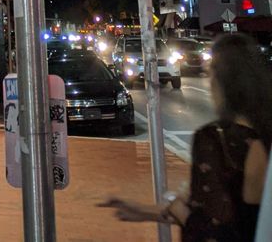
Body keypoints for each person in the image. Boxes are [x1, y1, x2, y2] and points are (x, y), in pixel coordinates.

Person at [100, 33, 272, 240]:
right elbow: (247, 217)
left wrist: (177, 206)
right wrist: (145, 211)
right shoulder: (261, 135)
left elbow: (211, 227)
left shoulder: (217, 140)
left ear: (222, 80)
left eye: (211, 73)